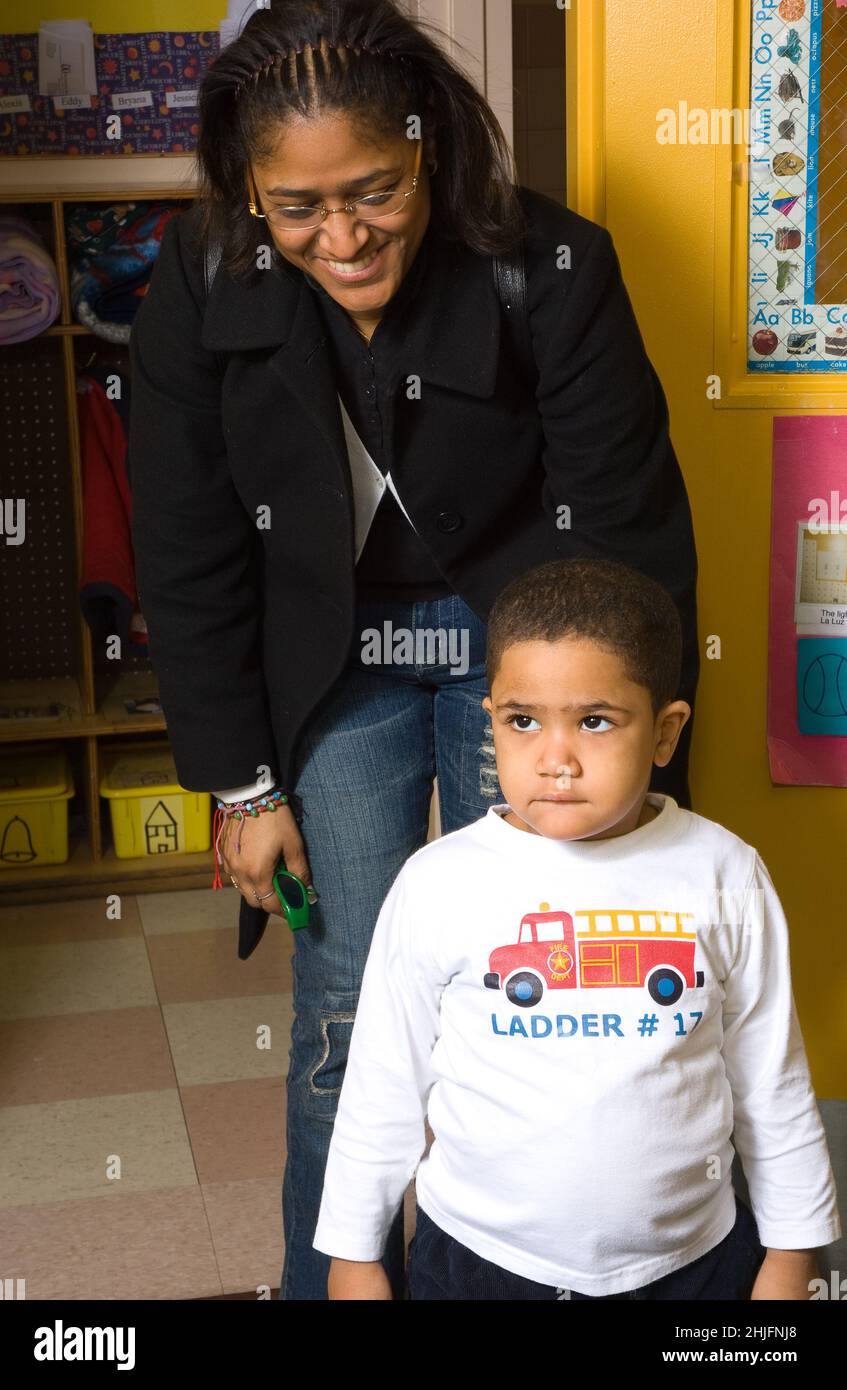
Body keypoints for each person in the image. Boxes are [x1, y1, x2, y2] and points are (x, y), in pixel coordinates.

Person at [127, 0, 701, 1300]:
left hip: (530, 638)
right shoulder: (202, 275)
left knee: (548, 964)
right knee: (348, 999)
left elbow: (620, 529)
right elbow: (188, 545)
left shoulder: (547, 265)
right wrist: (242, 788)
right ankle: (331, 1283)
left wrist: (613, 750)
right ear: (247, 195)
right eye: (296, 208)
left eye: (372, 193)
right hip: (330, 656)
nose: (340, 239)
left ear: (427, 148)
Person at [313, 557, 842, 1301]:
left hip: (690, 1266)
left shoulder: (722, 873)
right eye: (521, 721)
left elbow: (770, 1083)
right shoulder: (439, 883)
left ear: (664, 733)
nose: (553, 759)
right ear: (490, 716)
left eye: (594, 721)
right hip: (479, 1263)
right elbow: (382, 1086)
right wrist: (354, 1257)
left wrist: (792, 1254)